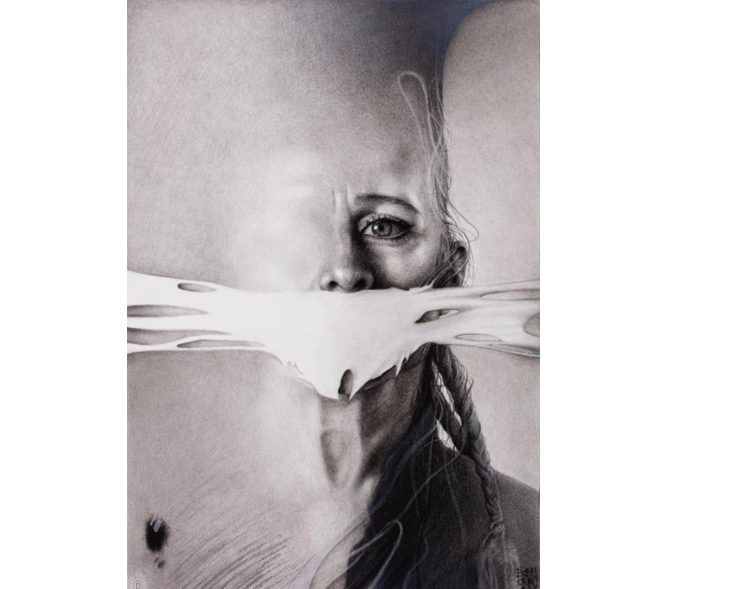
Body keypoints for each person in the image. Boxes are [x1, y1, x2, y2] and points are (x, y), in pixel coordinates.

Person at [128, 1, 538, 587]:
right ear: (240, 255)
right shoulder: (152, 536)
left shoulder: (530, 542)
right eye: (300, 223)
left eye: (387, 225)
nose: (344, 270)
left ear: (449, 273)